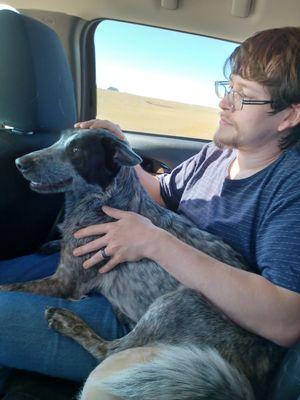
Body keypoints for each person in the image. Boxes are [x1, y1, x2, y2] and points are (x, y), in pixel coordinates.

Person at [1, 26, 300, 396]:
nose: (224, 103)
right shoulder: (220, 153)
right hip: (134, 289)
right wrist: (118, 147)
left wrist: (155, 243)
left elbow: (285, 320)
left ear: (288, 117)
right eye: (229, 88)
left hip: (179, 339)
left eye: (244, 97)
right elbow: (160, 193)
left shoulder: (291, 188)